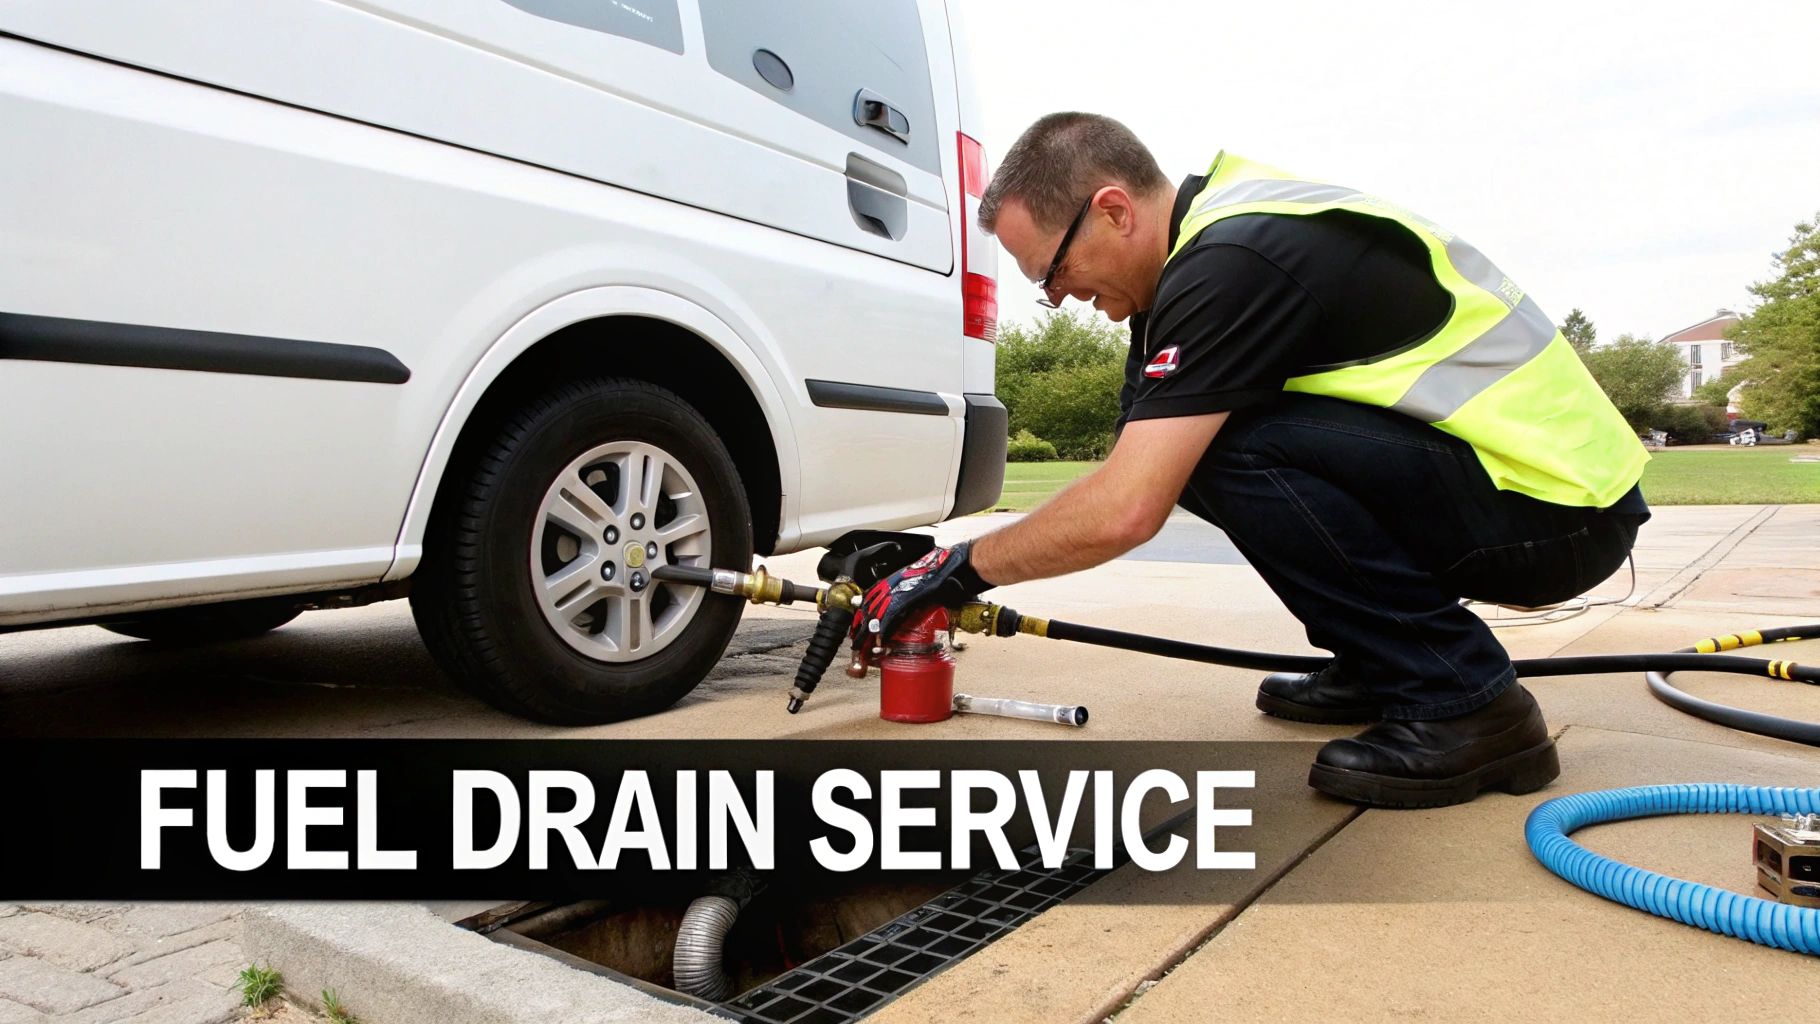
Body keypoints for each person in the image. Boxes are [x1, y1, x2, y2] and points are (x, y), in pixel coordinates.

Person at [855, 112, 1651, 809]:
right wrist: (947, 562)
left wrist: (959, 570)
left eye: (1053, 272)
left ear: (1113, 210)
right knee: (1198, 440)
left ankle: (1464, 698)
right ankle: (1386, 661)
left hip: (1557, 510)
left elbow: (1133, 504)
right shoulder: (1195, 262)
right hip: (1514, 491)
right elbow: (1122, 473)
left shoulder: (1233, 259)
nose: (1058, 297)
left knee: (1220, 446)